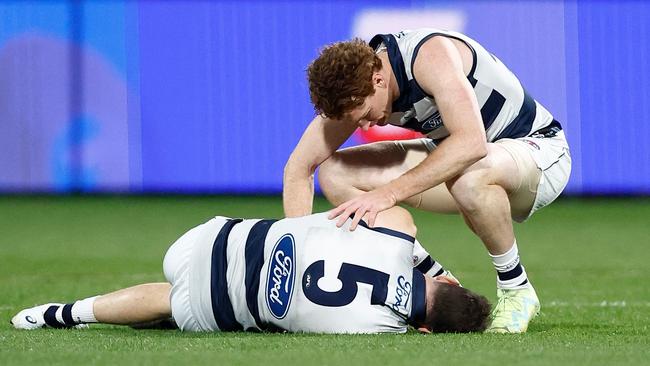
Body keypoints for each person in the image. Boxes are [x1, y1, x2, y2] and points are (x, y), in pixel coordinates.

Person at [283, 29, 571, 333]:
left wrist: (389, 193)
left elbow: (472, 144)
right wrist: (301, 258)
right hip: (469, 164)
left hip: (537, 153)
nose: (365, 125)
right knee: (336, 173)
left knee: (469, 173)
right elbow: (298, 169)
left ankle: (516, 289)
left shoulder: (429, 55)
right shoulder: (358, 86)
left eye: (365, 114)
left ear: (377, 81)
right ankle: (432, 278)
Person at [11, 207, 490, 334]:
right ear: (424, 329)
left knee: (201, 276)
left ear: (445, 281)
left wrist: (431, 268)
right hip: (203, 308)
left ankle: (62, 311)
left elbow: (388, 217)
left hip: (206, 238)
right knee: (175, 303)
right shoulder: (377, 334)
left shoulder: (399, 229)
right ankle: (61, 314)